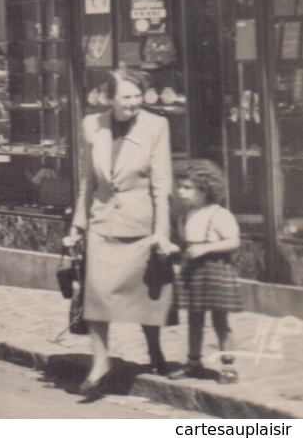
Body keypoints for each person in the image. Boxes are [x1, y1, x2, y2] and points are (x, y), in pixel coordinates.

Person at [67, 68, 176, 395]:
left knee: (148, 293)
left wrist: (162, 232)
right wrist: (78, 224)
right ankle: (101, 361)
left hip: (141, 224)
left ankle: (155, 350)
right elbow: (89, 180)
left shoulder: (157, 126)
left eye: (138, 95)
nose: (134, 102)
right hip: (103, 221)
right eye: (127, 96)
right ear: (110, 98)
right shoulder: (92, 125)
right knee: (96, 293)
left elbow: (161, 183)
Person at [169, 160, 243, 384]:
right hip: (194, 271)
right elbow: (187, 244)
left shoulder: (219, 214)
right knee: (194, 319)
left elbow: (233, 241)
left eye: (187, 187)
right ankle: (193, 362)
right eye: (179, 186)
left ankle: (228, 366)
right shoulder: (188, 215)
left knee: (220, 320)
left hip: (215, 269)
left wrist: (206, 248)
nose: (180, 191)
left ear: (205, 188)